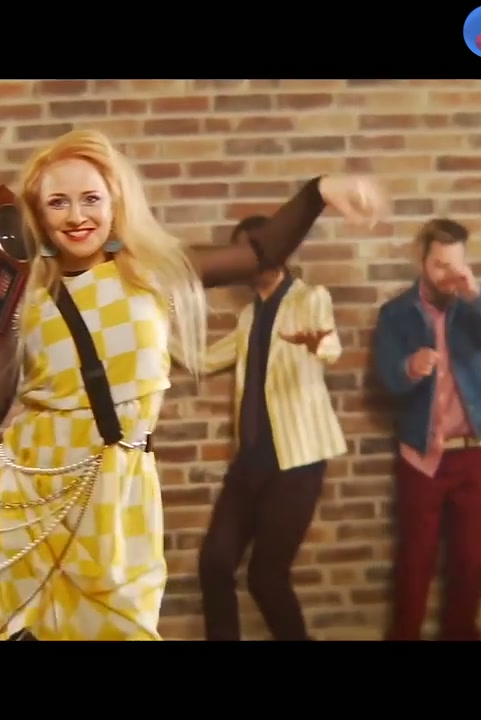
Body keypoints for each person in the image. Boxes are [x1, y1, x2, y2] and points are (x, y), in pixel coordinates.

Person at [0, 129, 385, 640]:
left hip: (119, 492)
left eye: (90, 198)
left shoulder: (151, 271)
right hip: (34, 494)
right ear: (36, 212)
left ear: (115, 201)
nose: (76, 216)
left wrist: (320, 191)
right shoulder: (26, 296)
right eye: (57, 202)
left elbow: (261, 252)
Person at [196, 215, 349, 641]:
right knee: (215, 563)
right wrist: (152, 336)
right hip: (249, 463)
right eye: (243, 254)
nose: (252, 260)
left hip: (296, 464)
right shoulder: (249, 316)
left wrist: (318, 342)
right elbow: (205, 360)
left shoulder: (310, 299)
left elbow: (330, 346)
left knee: (266, 578)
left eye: (258, 249)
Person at [371, 218, 481, 641]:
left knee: (475, 557)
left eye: (454, 265)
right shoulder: (396, 313)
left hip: (474, 449)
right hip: (421, 454)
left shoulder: (475, 303)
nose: (446, 276)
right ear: (422, 261)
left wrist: (475, 293)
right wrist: (409, 368)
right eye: (438, 265)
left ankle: (460, 633)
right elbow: (387, 378)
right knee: (415, 562)